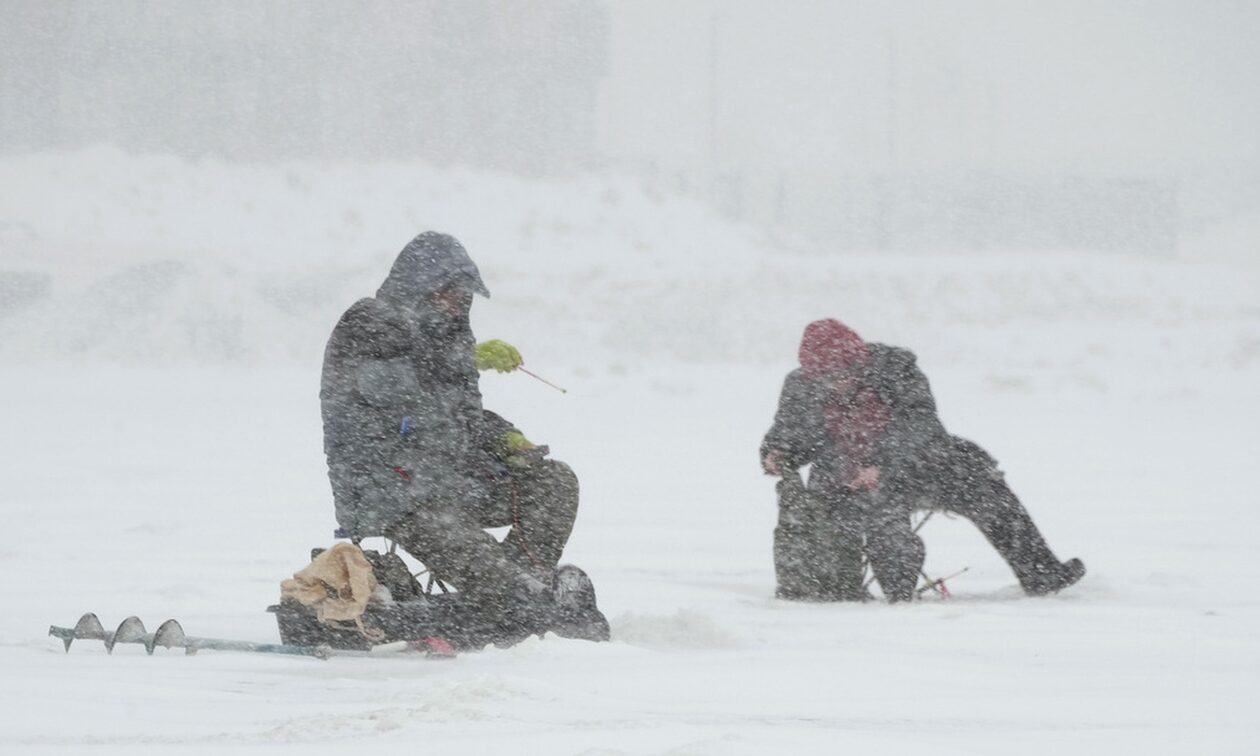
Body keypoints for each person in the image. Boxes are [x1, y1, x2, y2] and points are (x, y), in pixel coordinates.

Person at [320, 231, 607, 643]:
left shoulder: (450, 339)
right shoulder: (368, 321)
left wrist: (507, 439)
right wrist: (466, 358)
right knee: (502, 589)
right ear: (421, 286)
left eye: (463, 296)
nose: (457, 304)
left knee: (554, 481)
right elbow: (391, 387)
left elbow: (460, 418)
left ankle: (520, 590)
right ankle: (516, 602)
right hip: (397, 494)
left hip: (452, 484)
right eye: (449, 293)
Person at [761, 318, 1085, 602]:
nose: (838, 383)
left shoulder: (896, 367)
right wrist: (777, 453)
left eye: (845, 374)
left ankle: (1041, 573)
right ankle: (888, 597)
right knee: (880, 517)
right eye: (827, 379)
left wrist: (883, 466)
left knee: (984, 486)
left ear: (860, 362)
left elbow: (920, 425)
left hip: (920, 465)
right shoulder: (799, 386)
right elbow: (793, 435)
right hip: (842, 476)